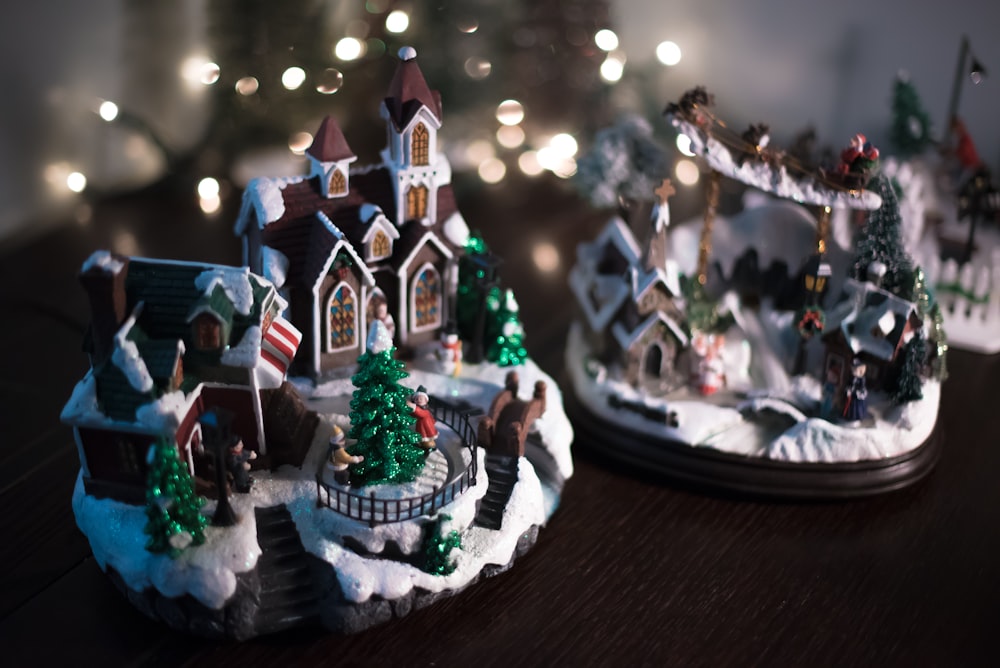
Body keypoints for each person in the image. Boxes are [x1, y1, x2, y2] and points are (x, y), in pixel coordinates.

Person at [843, 358, 869, 423]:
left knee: (856, 407)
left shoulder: (862, 379)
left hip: (857, 396)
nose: (853, 371)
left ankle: (856, 418)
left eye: (855, 370)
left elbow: (861, 387)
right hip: (852, 394)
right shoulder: (852, 378)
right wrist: (848, 389)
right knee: (850, 406)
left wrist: (855, 390)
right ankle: (848, 417)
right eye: (853, 370)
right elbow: (849, 384)